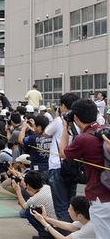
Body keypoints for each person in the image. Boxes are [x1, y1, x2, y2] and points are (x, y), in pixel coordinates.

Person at [59, 98, 110, 238]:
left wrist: (65, 129)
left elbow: (63, 153)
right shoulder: (105, 130)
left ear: (75, 117)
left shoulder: (84, 139)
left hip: (100, 195)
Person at [43, 93, 80, 224]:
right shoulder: (79, 120)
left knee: (61, 207)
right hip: (73, 167)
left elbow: (45, 132)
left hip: (57, 166)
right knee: (72, 206)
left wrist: (57, 116)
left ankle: (65, 234)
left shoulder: (60, 120)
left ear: (63, 106)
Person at [11, 170, 57, 238]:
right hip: (59, 220)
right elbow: (35, 193)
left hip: (53, 224)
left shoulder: (34, 199)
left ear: (28, 184)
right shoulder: (47, 187)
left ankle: (46, 235)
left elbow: (24, 206)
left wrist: (17, 190)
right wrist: (25, 186)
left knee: (28, 212)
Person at [30, 195, 95, 239]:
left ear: (80, 216)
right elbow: (71, 226)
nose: (68, 211)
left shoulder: (89, 228)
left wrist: (43, 222)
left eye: (70, 209)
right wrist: (46, 218)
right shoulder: (87, 218)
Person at [18, 115, 51, 183]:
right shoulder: (53, 136)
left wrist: (24, 127)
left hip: (38, 170)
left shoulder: (33, 138)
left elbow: (21, 140)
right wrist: (33, 127)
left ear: (39, 127)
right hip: (51, 169)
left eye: (36, 125)